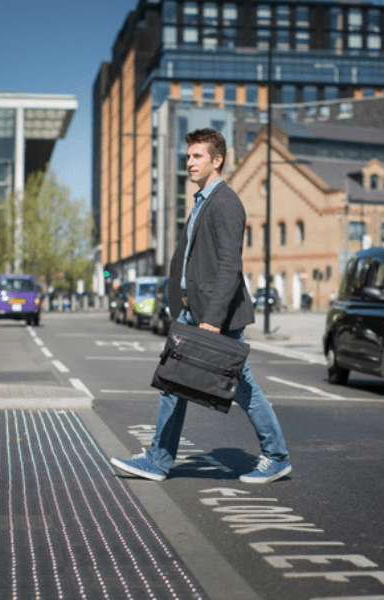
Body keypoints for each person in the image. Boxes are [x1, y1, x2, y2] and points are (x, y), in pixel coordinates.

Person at [110, 128, 292, 484]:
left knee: (241, 385)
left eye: (197, 156)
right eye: (188, 156)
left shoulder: (225, 203)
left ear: (217, 160)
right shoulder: (202, 201)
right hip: (193, 311)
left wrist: (212, 318)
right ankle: (158, 460)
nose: (189, 162)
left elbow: (229, 266)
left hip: (213, 315)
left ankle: (277, 456)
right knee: (172, 383)